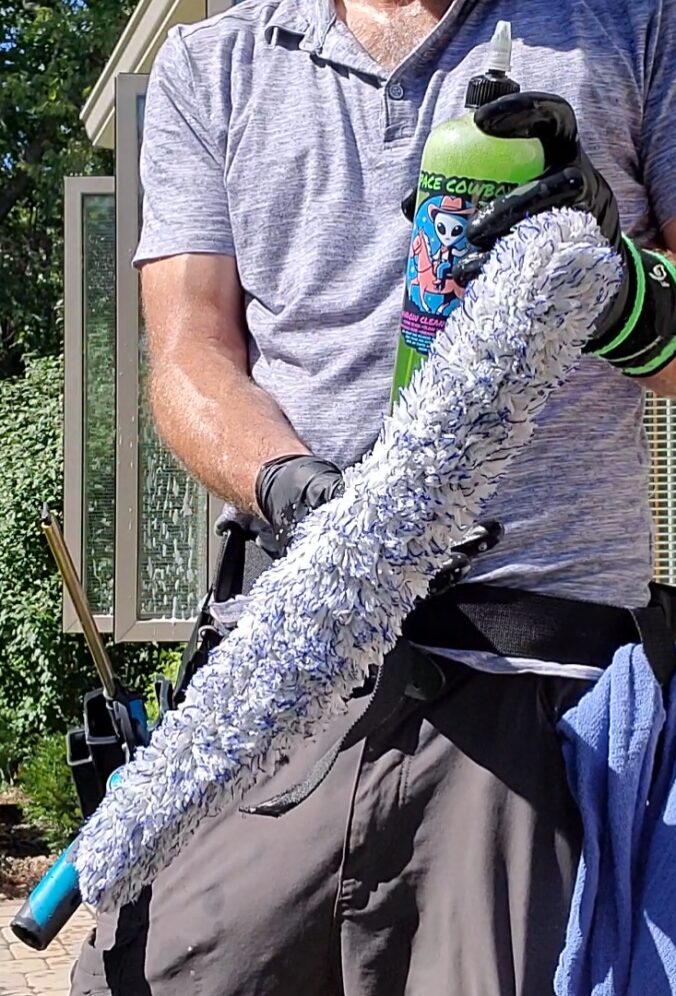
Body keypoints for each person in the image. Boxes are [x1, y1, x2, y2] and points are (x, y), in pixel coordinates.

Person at [71, 0, 676, 993]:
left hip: (539, 698)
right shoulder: (213, 63)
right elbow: (188, 354)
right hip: (276, 680)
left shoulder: (633, 26)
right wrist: (298, 491)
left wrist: (616, 289)